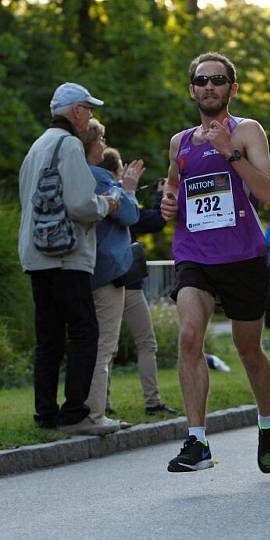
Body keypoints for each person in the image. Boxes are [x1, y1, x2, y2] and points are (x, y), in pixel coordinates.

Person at [160, 52, 270, 473]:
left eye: (217, 80)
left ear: (232, 87)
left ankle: (267, 419)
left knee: (248, 350)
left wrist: (231, 152)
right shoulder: (180, 143)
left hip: (243, 256)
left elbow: (269, 194)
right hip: (194, 254)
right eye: (201, 80)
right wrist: (168, 203)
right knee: (190, 337)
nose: (208, 86)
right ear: (192, 88)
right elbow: (176, 194)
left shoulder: (246, 131)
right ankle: (197, 441)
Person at [18, 82, 119, 435]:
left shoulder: (37, 146)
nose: (90, 115)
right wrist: (106, 204)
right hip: (66, 254)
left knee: (48, 338)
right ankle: (75, 414)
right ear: (75, 111)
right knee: (84, 331)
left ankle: (45, 415)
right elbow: (80, 205)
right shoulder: (70, 145)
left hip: (36, 254)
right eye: (88, 109)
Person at [98, 150, 178, 416]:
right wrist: (159, 195)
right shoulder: (121, 200)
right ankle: (152, 401)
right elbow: (153, 220)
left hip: (100, 280)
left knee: (104, 347)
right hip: (125, 282)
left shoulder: (98, 195)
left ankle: (102, 403)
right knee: (145, 342)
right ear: (118, 171)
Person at [81, 121, 140, 433]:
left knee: (85, 343)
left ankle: (84, 408)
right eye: (101, 138)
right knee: (104, 344)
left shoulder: (77, 176)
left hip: (83, 271)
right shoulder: (100, 178)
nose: (104, 144)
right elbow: (130, 214)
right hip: (106, 274)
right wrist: (128, 188)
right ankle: (95, 413)